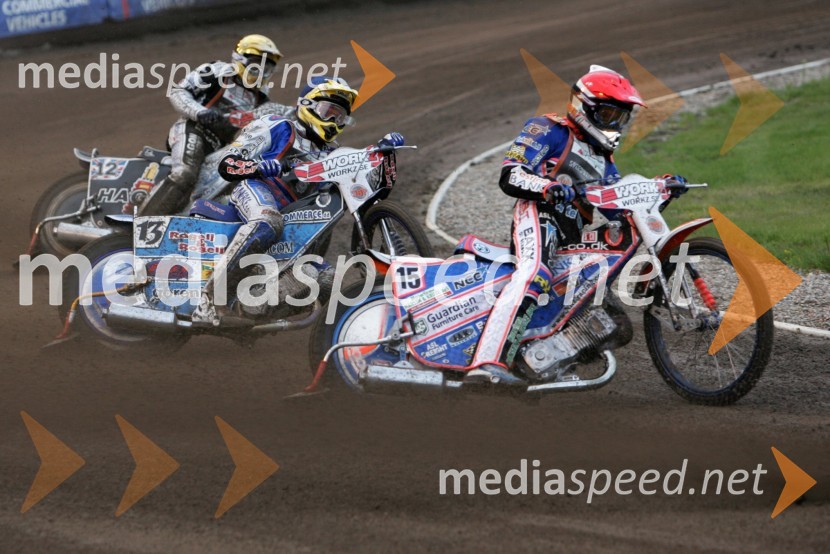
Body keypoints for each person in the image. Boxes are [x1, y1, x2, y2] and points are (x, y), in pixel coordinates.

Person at [466, 65, 686, 385]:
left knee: (614, 323)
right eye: (610, 115)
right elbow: (511, 173)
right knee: (534, 274)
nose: (616, 125)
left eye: (622, 118)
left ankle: (536, 364)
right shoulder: (548, 128)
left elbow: (613, 208)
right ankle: (487, 363)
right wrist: (546, 186)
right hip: (538, 216)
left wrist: (658, 192)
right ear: (585, 107)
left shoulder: (604, 159)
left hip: (574, 236)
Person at [191, 76, 405, 325]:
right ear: (307, 105)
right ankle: (207, 300)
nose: (333, 122)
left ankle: (252, 312)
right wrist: (259, 166)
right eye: (328, 112)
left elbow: (369, 194)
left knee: (325, 277)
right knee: (267, 220)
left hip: (294, 220)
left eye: (340, 117)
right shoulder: (279, 126)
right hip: (256, 189)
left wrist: (384, 154)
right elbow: (228, 162)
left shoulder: (334, 154)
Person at [140, 34, 291, 216]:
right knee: (185, 174)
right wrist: (200, 112)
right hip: (194, 130)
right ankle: (140, 224)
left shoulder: (262, 96)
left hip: (223, 149)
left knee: (235, 183)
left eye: (266, 68)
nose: (260, 72)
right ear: (240, 59)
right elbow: (179, 91)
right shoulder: (216, 71)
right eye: (256, 65)